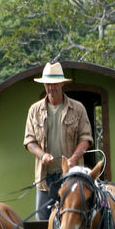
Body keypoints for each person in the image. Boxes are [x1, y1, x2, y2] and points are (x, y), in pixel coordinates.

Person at [23, 62, 93, 219]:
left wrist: (73, 159)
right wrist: (42, 155)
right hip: (45, 179)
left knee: (72, 219)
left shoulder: (78, 108)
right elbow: (29, 141)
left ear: (62, 84)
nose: (51, 88)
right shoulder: (34, 110)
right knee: (43, 222)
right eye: (48, 84)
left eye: (54, 84)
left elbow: (86, 138)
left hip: (71, 176)